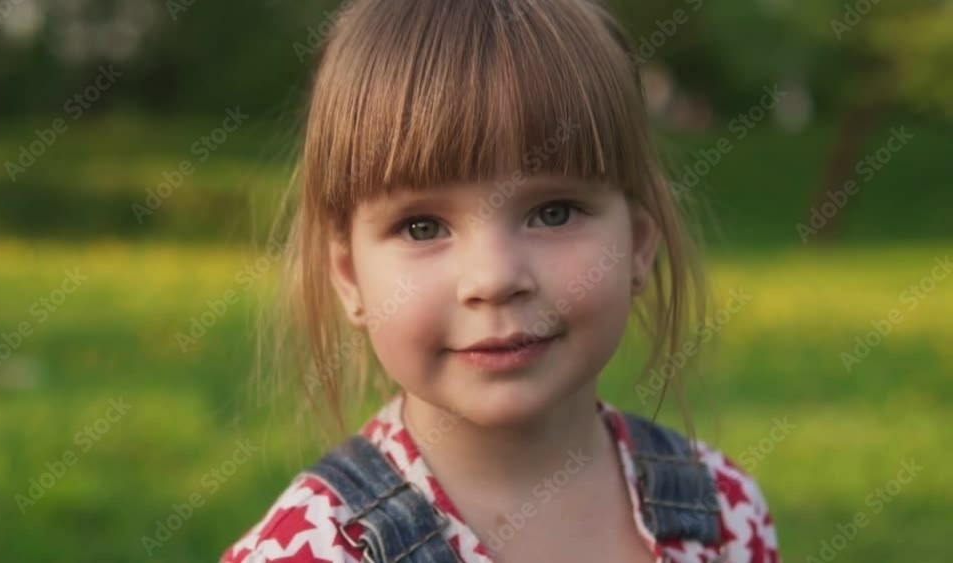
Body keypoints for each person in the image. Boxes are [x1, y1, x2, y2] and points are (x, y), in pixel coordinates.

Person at [221, 0, 778, 561]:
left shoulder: (725, 514)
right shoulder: (309, 550)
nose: (494, 278)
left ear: (637, 245)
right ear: (349, 278)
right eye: (421, 227)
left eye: (554, 213)